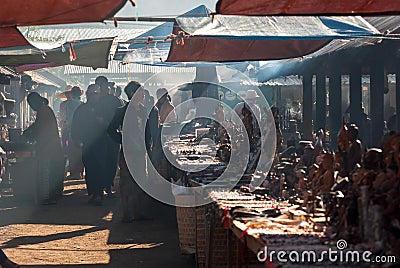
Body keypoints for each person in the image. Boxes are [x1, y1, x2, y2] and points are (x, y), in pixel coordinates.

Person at [108, 81, 150, 222]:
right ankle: (126, 213)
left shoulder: (144, 110)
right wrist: (122, 140)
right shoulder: (122, 111)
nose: (143, 95)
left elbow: (147, 130)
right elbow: (111, 130)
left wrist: (148, 144)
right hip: (128, 152)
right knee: (126, 182)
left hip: (141, 151)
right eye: (141, 92)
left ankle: (137, 212)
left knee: (141, 181)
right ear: (133, 94)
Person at [23, 92, 64, 204]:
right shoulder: (44, 109)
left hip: (48, 147)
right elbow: (37, 125)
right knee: (50, 172)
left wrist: (29, 135)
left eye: (31, 104)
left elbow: (40, 128)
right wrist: (28, 131)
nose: (31, 107)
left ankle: (48, 197)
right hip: (50, 146)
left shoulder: (43, 111)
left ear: (34, 103)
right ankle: (52, 195)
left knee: (46, 173)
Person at [71, 84, 105, 206]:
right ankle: (93, 193)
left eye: (96, 94)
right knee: (90, 169)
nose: (94, 97)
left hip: (101, 145)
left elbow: (109, 126)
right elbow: (75, 126)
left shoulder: (103, 109)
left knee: (100, 168)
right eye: (92, 94)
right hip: (87, 144)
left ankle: (99, 193)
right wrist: (76, 139)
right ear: (87, 95)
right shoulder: (81, 110)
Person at [94, 76, 124, 196]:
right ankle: (101, 187)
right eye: (98, 84)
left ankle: (108, 184)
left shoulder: (115, 100)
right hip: (98, 137)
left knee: (111, 162)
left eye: (101, 84)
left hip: (112, 136)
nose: (100, 87)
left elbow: (121, 117)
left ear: (107, 86)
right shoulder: (94, 101)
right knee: (100, 162)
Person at [65, 86, 83, 180]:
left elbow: (68, 119)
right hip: (82, 130)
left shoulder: (69, 104)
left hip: (72, 130)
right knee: (80, 152)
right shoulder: (82, 104)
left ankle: (74, 172)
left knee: (72, 151)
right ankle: (80, 172)